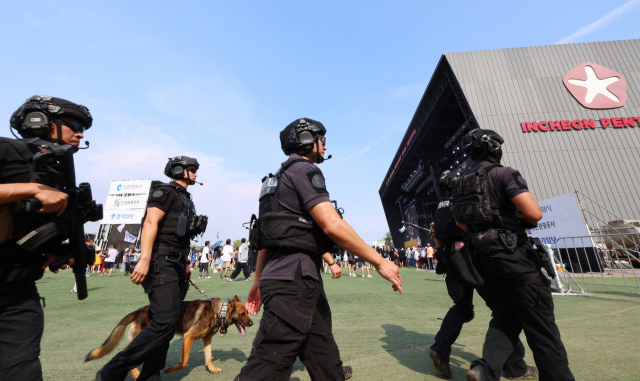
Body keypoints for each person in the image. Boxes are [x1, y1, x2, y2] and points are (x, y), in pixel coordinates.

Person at [235, 118, 403, 381]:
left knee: (323, 354)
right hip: (294, 282)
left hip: (292, 280)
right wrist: (379, 261)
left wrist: (258, 280)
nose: (324, 145)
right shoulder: (304, 171)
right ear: (305, 140)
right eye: (320, 139)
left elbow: (266, 238)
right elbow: (332, 224)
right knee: (267, 364)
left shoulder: (274, 181)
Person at [452, 129, 573, 381]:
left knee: (505, 316)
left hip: (484, 262)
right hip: (515, 258)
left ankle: (485, 370)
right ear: (494, 150)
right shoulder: (504, 173)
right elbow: (534, 214)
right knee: (542, 330)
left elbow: (461, 223)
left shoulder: (460, 181)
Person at [0, 95, 93, 381]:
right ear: (42, 122)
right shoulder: (8, 149)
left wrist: (52, 252)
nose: (80, 133)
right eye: (74, 124)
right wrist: (31, 190)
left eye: (83, 129)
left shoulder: (54, 171)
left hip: (17, 293)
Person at [96, 156, 201, 381]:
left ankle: (150, 377)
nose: (195, 172)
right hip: (160, 262)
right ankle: (111, 372)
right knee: (166, 321)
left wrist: (186, 263)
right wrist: (144, 259)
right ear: (179, 170)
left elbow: (181, 235)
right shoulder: (165, 192)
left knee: (167, 323)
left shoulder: (186, 198)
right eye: (191, 168)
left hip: (177, 264)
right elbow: (150, 223)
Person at [428, 169, 534, 380]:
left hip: (451, 261)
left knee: (462, 309)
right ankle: (514, 367)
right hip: (474, 259)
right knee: (503, 312)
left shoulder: (439, 208)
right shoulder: (467, 197)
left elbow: (438, 238)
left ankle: (440, 349)